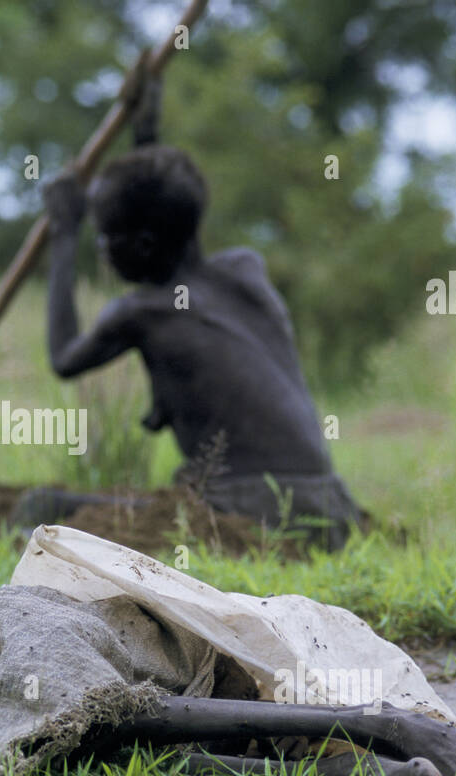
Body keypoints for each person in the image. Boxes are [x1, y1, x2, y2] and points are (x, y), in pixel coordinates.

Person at [26, 77, 362, 549]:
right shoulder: (246, 271)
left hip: (251, 514)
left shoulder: (142, 311)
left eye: (104, 238)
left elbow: (64, 359)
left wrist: (63, 235)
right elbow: (162, 208)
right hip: (330, 508)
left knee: (42, 509)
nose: (100, 250)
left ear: (141, 245)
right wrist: (147, 136)